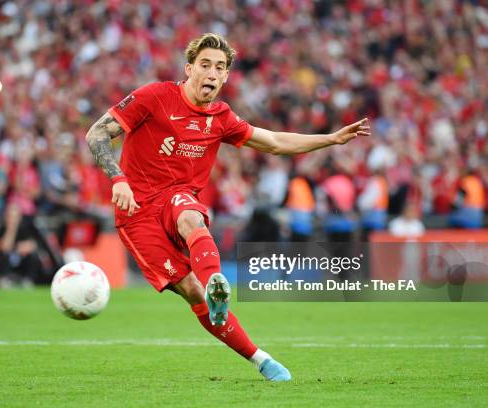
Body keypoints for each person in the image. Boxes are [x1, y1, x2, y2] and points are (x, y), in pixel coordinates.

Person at [85, 33, 370, 382]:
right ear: (189, 69)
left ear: (225, 77)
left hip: (176, 198)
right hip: (137, 213)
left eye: (219, 68)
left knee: (189, 214)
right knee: (191, 291)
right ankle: (259, 358)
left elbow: (276, 141)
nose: (211, 73)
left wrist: (331, 138)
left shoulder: (220, 117)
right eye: (204, 65)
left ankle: (216, 281)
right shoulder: (154, 96)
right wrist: (118, 178)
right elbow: (97, 133)